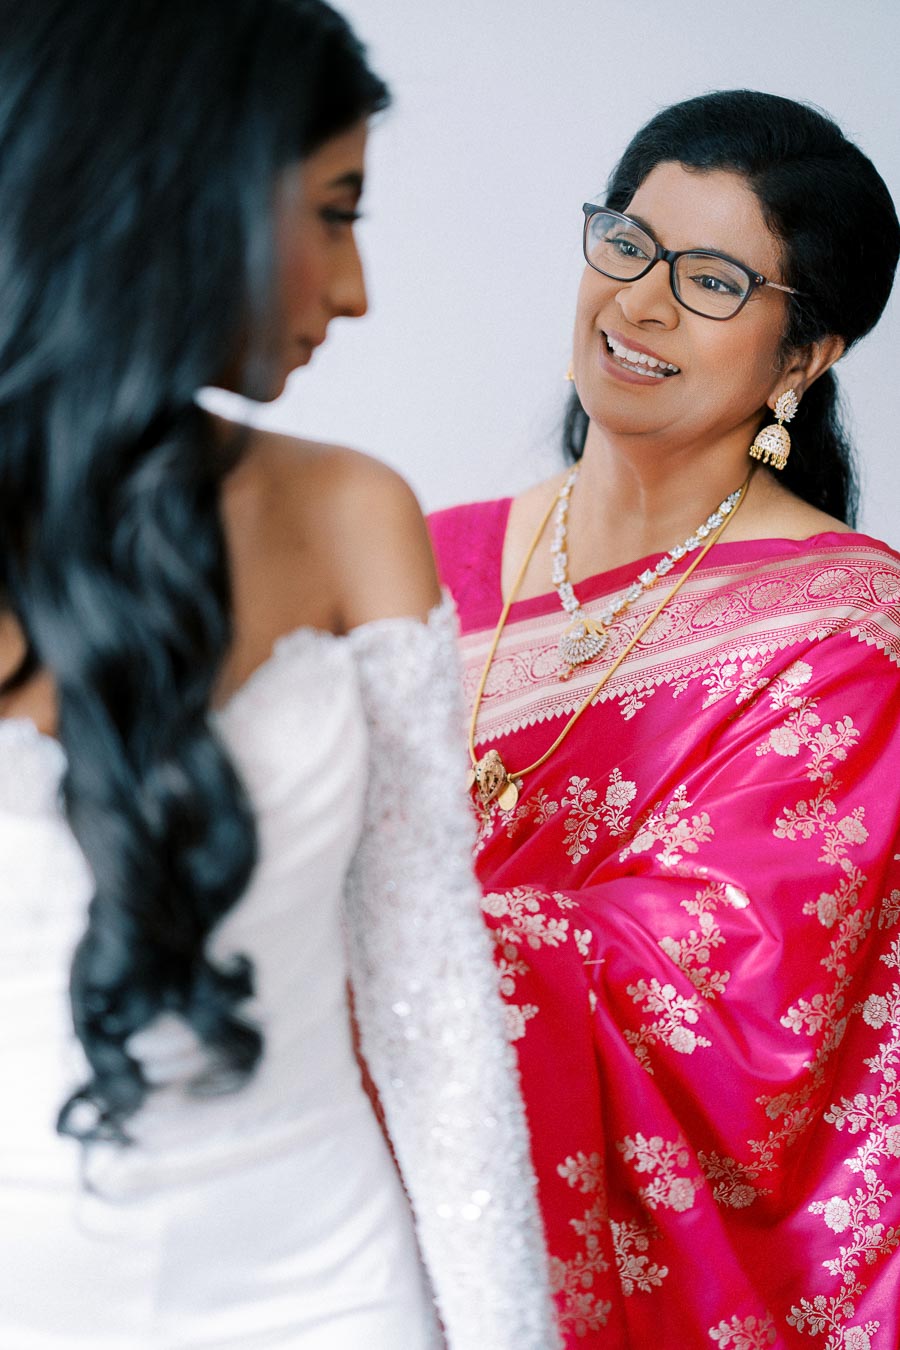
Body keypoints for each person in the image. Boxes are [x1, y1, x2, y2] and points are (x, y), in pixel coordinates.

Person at [0, 3, 560, 1347]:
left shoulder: (356, 513)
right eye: (334, 209)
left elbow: (433, 1000)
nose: (355, 287)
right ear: (179, 191)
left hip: (331, 1290)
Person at [430, 90, 900, 1348]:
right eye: (627, 245)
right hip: (357, 1215)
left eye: (711, 280)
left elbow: (731, 995)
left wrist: (363, 930)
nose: (638, 304)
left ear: (806, 357)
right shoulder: (420, 565)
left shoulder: (846, 631)